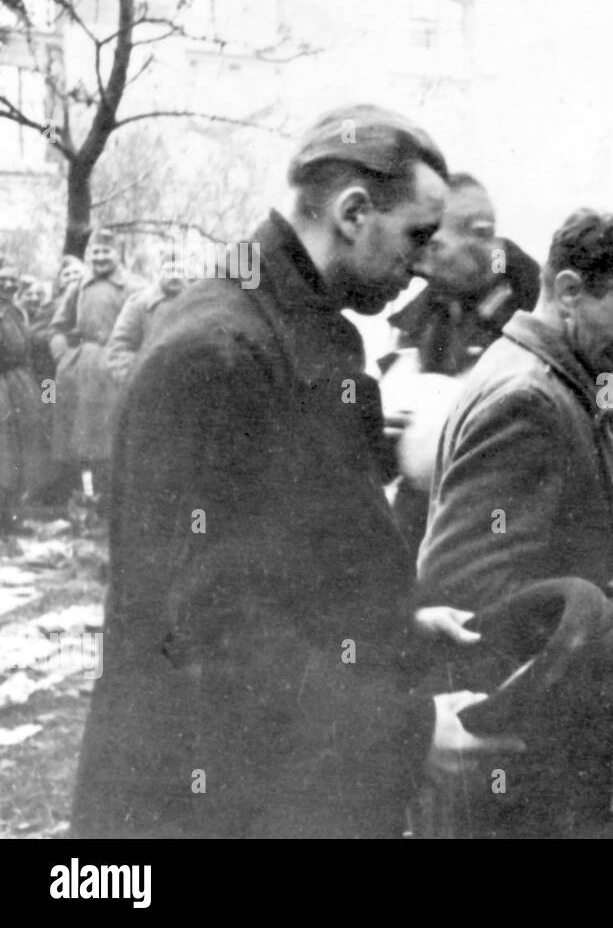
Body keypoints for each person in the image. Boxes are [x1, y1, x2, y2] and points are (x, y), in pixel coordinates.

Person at [71, 105, 511, 839]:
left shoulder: (286, 329)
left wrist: (393, 622)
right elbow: (210, 631)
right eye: (417, 236)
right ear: (353, 211)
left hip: (268, 780)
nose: (427, 262)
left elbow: (284, 557)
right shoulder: (219, 353)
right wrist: (407, 728)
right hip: (201, 803)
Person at [416, 208, 613, 836]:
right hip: (513, 748)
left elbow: (551, 551)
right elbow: (464, 592)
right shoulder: (530, 399)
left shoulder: (558, 380)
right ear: (569, 290)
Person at [384, 174, 543, 548]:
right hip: (419, 543)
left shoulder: (552, 318)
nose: (417, 264)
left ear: (481, 236)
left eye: (434, 247)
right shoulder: (411, 323)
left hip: (510, 540)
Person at [48, 229, 142, 501]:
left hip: (117, 368)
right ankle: (86, 497)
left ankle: (116, 499)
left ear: (118, 254)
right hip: (83, 370)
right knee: (83, 438)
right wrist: (64, 357)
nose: (100, 257)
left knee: (114, 436)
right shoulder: (80, 286)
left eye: (106, 251)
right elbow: (58, 327)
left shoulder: (134, 288)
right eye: (95, 252)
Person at [0, 262, 44, 530]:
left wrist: (45, 397)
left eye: (13, 281)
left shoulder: (18, 311)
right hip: (3, 384)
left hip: (20, 385)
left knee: (22, 449)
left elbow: (33, 359)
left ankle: (13, 513)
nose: (7, 285)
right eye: (2, 280)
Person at [105, 247, 190, 382]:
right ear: (157, 273)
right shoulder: (139, 304)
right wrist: (140, 379)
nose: (175, 276)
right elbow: (119, 348)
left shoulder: (197, 304)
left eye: (180, 271)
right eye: (169, 270)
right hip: (150, 385)